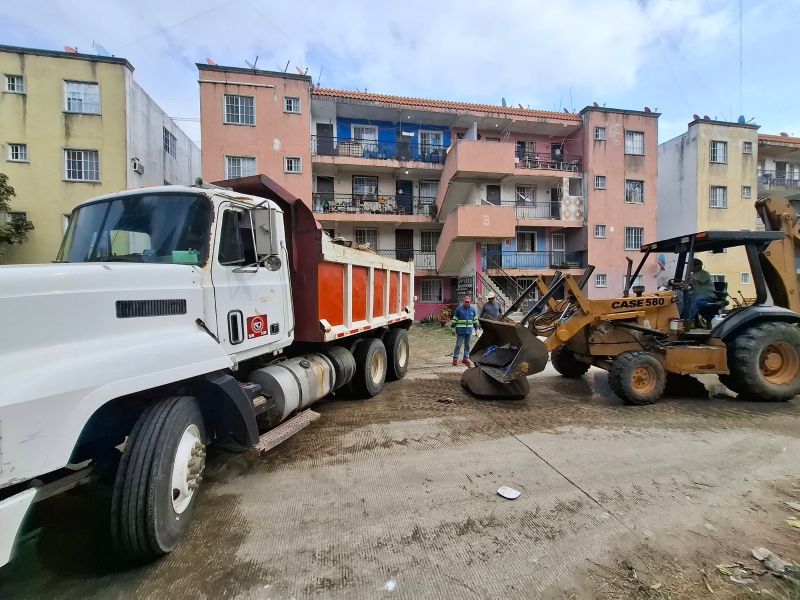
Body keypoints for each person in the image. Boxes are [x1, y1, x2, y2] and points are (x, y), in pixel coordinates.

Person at [451, 296, 478, 367]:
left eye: (468, 302)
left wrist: (476, 328)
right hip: (460, 331)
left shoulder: (472, 310)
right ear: (464, 301)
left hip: (469, 331)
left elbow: (475, 320)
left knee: (467, 345)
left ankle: (465, 358)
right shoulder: (459, 309)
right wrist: (453, 328)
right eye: (466, 302)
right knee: (458, 345)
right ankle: (455, 359)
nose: (467, 303)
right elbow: (455, 319)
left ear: (470, 302)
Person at [687, 258, 717, 322]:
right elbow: (691, 286)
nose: (689, 267)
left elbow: (695, 281)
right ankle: (684, 318)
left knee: (695, 301)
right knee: (684, 301)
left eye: (691, 265)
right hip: (697, 295)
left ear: (698, 266)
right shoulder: (692, 275)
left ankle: (689, 320)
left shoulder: (704, 274)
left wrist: (685, 282)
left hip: (708, 296)